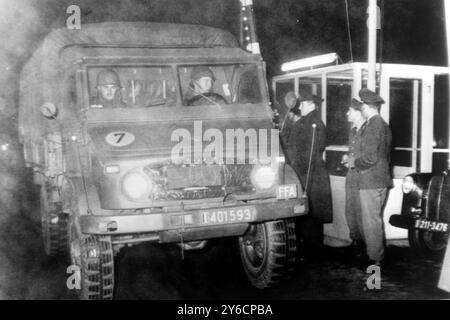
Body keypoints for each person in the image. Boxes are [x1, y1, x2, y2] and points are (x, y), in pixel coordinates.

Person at [349, 88, 393, 267]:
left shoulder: (373, 126)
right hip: (380, 179)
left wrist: (354, 163)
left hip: (370, 181)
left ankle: (374, 260)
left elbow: (370, 158)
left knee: (371, 222)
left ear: (367, 106)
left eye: (362, 106)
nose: (361, 109)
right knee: (373, 220)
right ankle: (374, 254)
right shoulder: (381, 125)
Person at [289, 92, 332, 256]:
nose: (300, 107)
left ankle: (313, 251)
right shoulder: (305, 122)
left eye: (303, 104)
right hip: (305, 173)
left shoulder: (314, 124)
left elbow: (312, 151)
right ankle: (308, 248)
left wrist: (301, 176)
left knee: (311, 214)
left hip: (310, 174)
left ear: (313, 105)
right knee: (307, 214)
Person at [341, 98, 366, 255]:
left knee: (361, 210)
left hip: (362, 176)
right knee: (350, 209)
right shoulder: (353, 130)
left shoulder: (367, 130)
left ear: (357, 112)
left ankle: (364, 244)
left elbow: (367, 156)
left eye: (349, 110)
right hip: (352, 174)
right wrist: (347, 159)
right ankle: (355, 240)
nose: (347, 113)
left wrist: (351, 160)